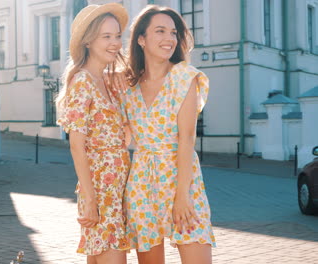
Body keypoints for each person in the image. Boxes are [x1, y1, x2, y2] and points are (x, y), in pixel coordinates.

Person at [121, 5, 216, 264]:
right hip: (141, 182)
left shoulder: (184, 77)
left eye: (173, 32)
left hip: (182, 180)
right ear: (141, 39)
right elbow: (125, 137)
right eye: (160, 31)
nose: (169, 39)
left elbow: (186, 138)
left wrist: (182, 196)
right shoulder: (129, 87)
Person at [56, 3, 131, 264]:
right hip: (100, 189)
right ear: (88, 40)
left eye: (118, 36)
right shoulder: (82, 81)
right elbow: (76, 145)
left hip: (115, 189)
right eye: (106, 36)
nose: (115, 43)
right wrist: (89, 198)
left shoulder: (108, 82)